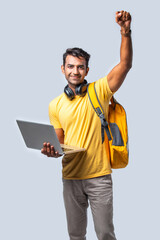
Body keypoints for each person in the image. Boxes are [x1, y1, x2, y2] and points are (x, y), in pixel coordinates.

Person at [41, 10, 132, 240]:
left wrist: (125, 32)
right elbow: (60, 143)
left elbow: (125, 64)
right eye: (70, 66)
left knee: (105, 234)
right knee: (75, 235)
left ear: (87, 70)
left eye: (80, 67)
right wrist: (51, 151)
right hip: (70, 177)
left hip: (99, 177)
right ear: (63, 69)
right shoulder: (55, 105)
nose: (75, 71)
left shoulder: (98, 90)